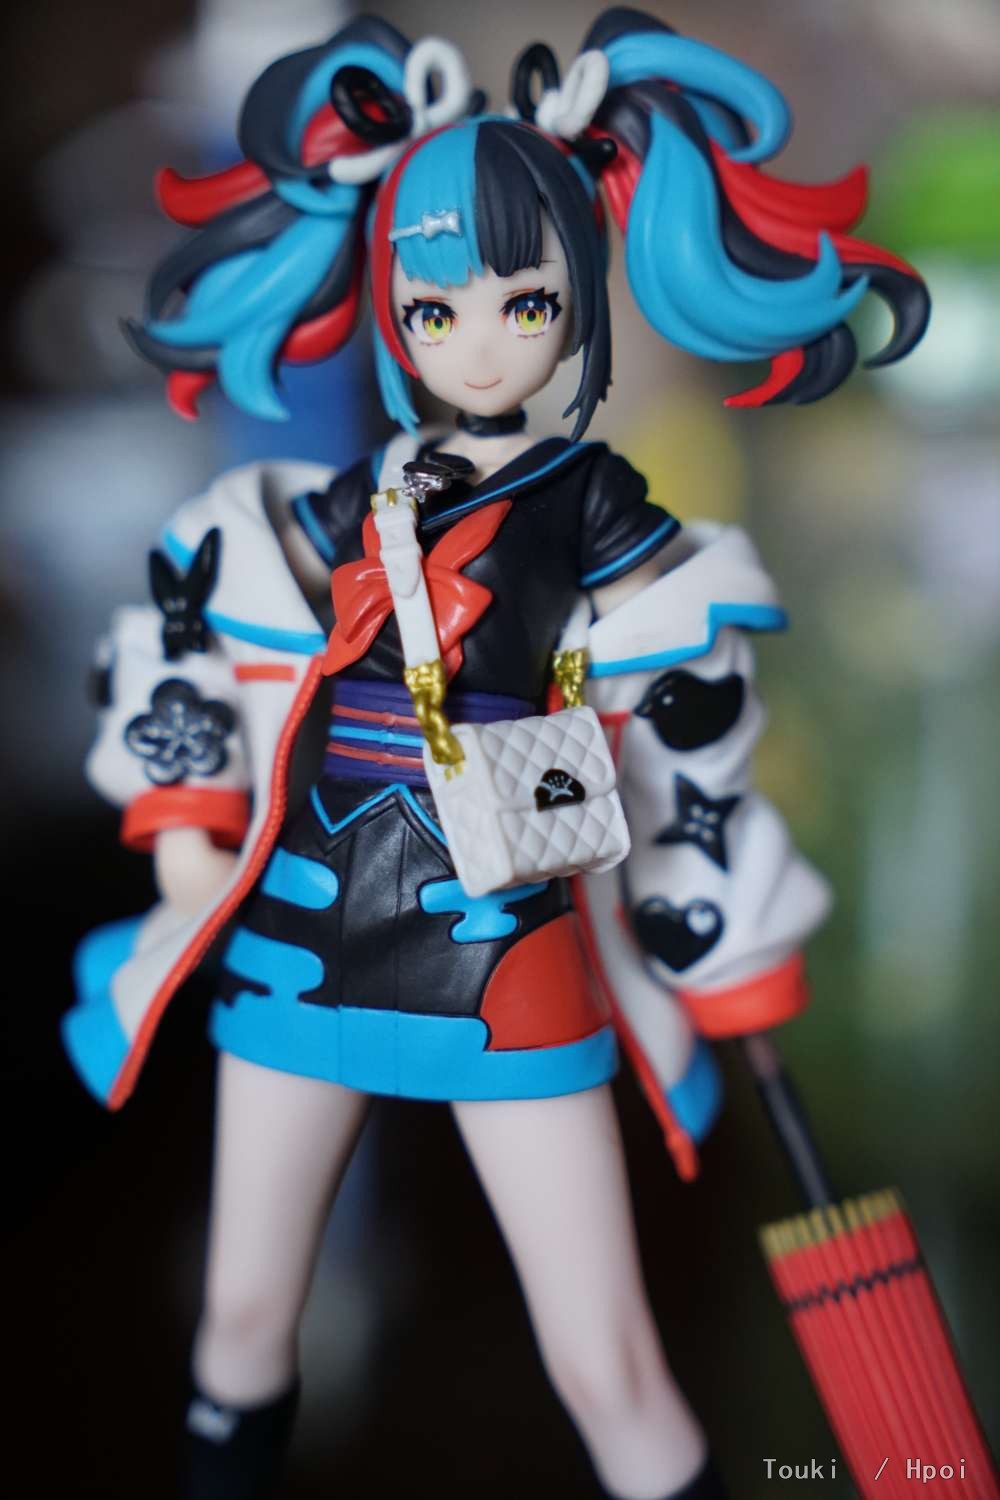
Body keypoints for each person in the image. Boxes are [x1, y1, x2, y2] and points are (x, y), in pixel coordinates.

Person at [62, 11, 929, 1498]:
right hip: (306, 935)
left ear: (577, 298)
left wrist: (729, 949)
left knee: (605, 1360)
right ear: (392, 307)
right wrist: (190, 827)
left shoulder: (595, 504)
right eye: (436, 305)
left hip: (505, 942)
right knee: (243, 1321)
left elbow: (688, 733)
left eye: (524, 304)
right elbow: (198, 620)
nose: (478, 341)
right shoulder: (346, 498)